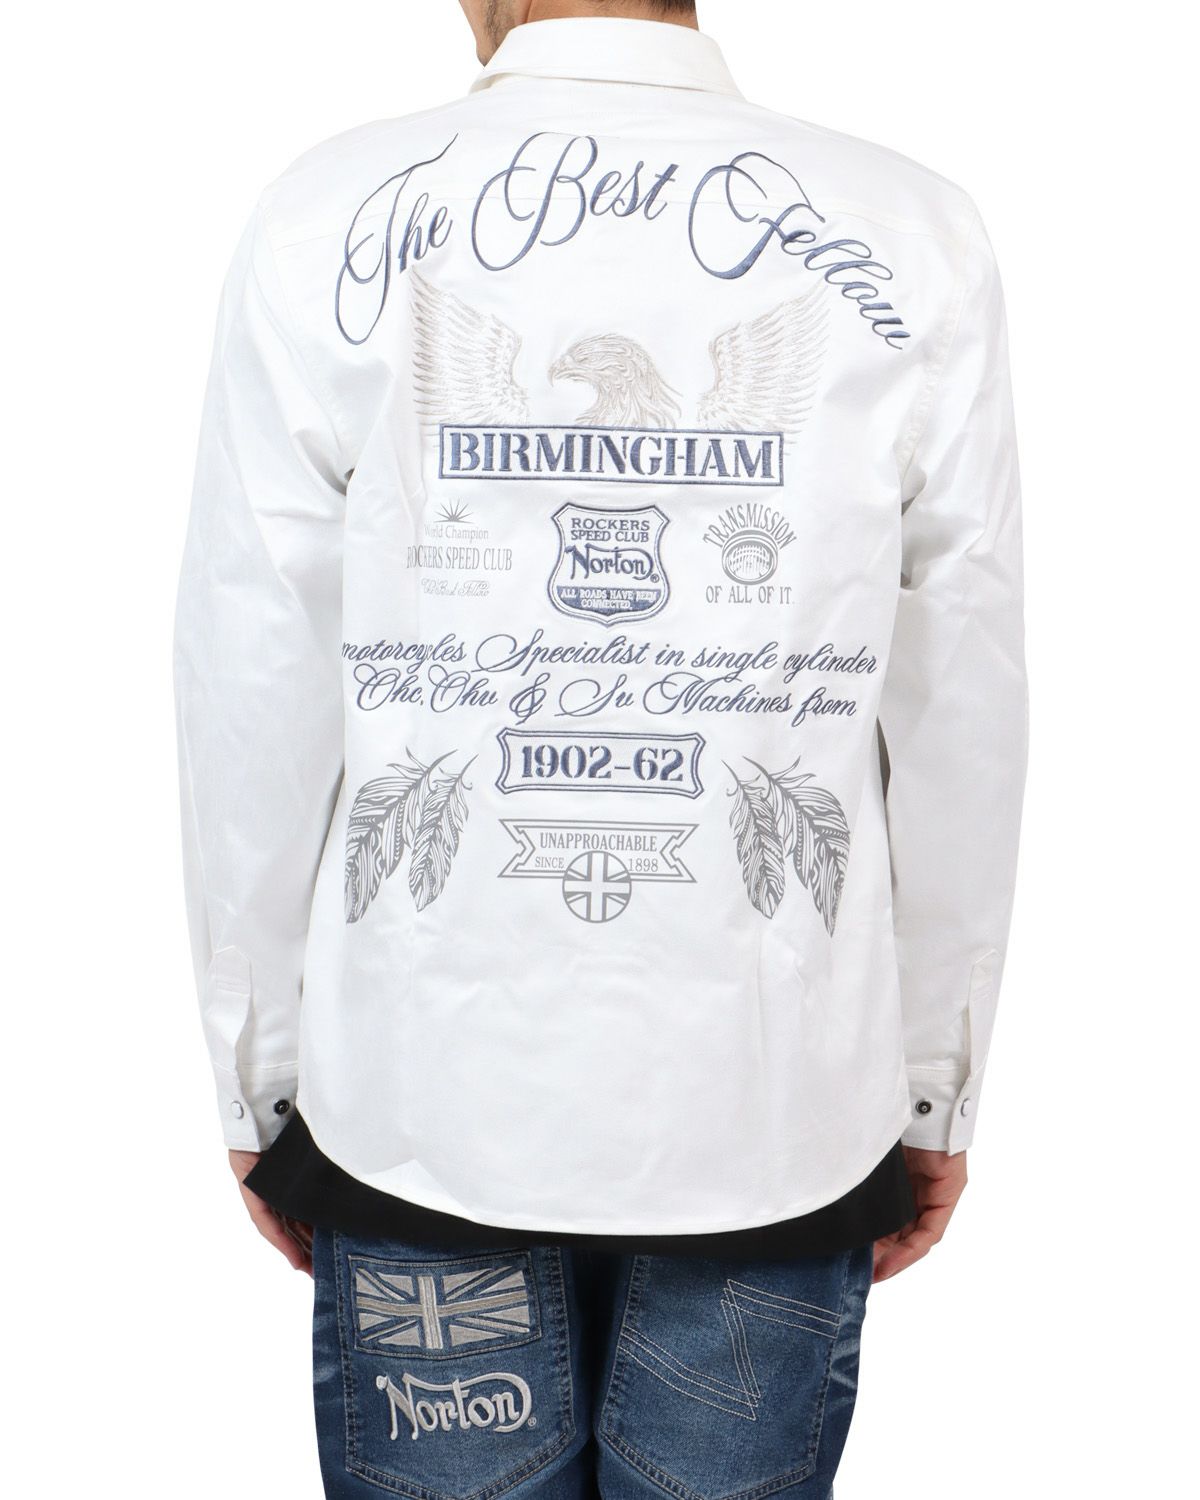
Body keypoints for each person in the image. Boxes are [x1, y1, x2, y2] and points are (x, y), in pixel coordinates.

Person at [173, 1, 1028, 1494]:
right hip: (777, 1115)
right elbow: (965, 703)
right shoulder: (913, 234)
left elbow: (254, 682)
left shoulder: (329, 220)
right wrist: (925, 1084)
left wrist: (265, 1082)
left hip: (420, 1113)